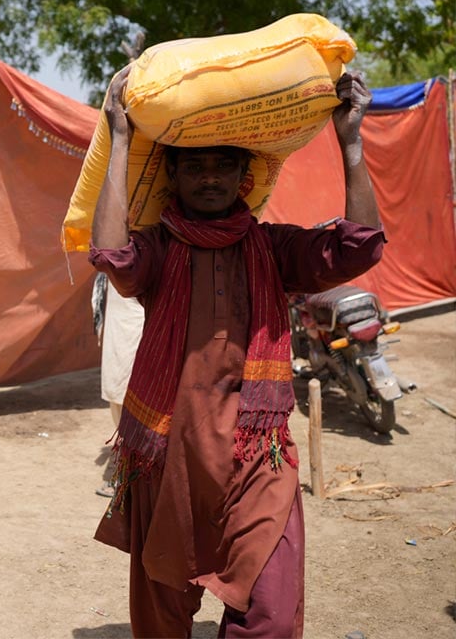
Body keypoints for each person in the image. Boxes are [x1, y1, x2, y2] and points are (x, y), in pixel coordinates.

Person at [89, 67, 384, 638]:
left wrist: (350, 139)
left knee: (271, 615)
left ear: (245, 175)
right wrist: (120, 137)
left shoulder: (274, 248)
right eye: (193, 165)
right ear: (173, 174)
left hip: (258, 454)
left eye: (223, 164)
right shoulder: (158, 249)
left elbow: (358, 247)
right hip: (171, 454)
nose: (208, 178)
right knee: (162, 616)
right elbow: (111, 257)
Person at [93, 274, 143, 497]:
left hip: (133, 324)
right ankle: (131, 473)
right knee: (119, 397)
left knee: (130, 399)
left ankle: (132, 477)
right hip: (122, 322)